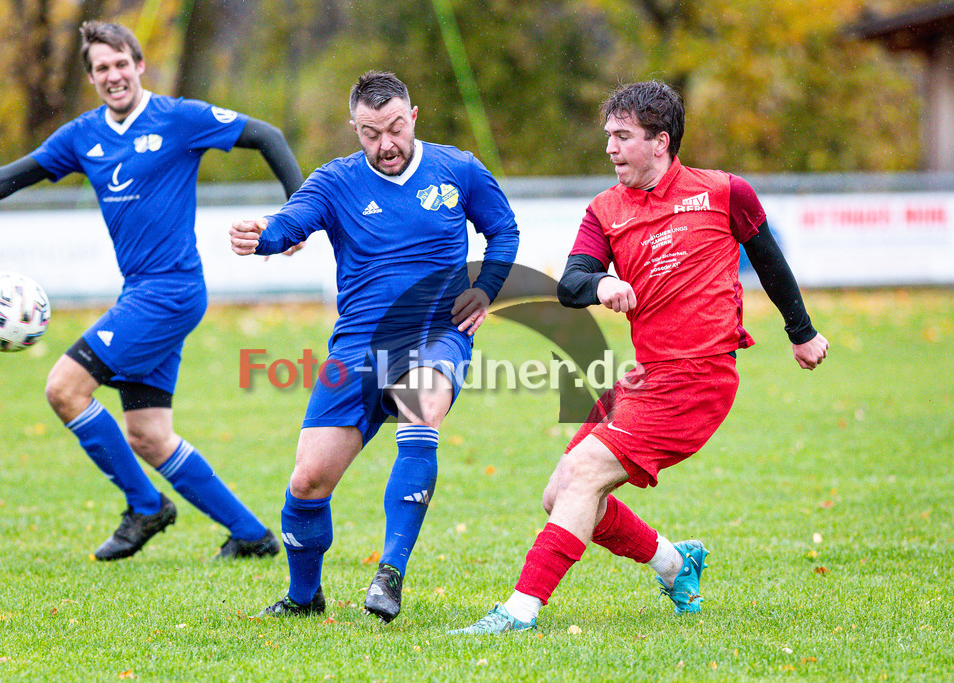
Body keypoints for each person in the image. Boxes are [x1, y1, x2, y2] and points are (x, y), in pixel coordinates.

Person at [451, 80, 830, 634]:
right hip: (646, 376)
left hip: (700, 378)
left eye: (622, 136)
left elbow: (769, 261)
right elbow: (572, 282)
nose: (610, 147)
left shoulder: (725, 193)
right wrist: (601, 282)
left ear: (660, 142)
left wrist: (802, 332)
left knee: (582, 475)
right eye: (608, 135)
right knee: (558, 494)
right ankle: (675, 564)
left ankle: (519, 611)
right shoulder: (605, 209)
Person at [0, 21, 305, 561]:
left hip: (171, 292)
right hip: (142, 293)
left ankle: (145, 506)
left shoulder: (178, 118)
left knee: (64, 388)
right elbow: (5, 178)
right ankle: (252, 536)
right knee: (149, 435)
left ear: (139, 64)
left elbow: (268, 135)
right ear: (92, 78)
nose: (113, 75)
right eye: (101, 68)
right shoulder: (83, 135)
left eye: (120, 63)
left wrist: (293, 218)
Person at [229, 70, 519, 623]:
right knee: (308, 480)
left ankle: (389, 574)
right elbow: (294, 221)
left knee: (421, 402)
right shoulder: (336, 181)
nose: (385, 145)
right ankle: (304, 597)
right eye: (369, 133)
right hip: (357, 348)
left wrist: (485, 288)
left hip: (436, 332)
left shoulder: (457, 169)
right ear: (354, 129)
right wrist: (263, 233)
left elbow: (503, 231)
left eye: (393, 129)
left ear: (413, 117)